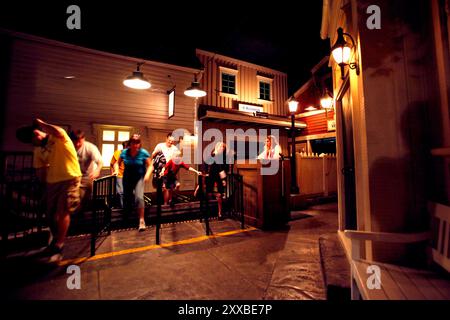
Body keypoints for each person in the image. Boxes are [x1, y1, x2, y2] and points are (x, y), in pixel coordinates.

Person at [17, 119, 82, 263]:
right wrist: (45, 186)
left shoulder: (58, 138)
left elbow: (59, 131)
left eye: (34, 137)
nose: (34, 141)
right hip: (53, 181)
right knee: (50, 213)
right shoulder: (38, 150)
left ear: (38, 132)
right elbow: (40, 170)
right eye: (31, 140)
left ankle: (59, 245)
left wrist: (40, 123)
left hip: (70, 177)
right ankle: (55, 237)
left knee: (62, 210)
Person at [117, 134, 151, 231]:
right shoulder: (124, 152)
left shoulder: (143, 153)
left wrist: (148, 174)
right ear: (130, 143)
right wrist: (116, 170)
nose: (135, 145)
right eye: (133, 143)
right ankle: (127, 218)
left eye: (137, 143)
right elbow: (117, 163)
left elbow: (150, 165)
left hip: (139, 178)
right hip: (127, 177)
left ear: (140, 144)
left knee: (139, 197)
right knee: (127, 197)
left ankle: (141, 220)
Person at [69, 130, 103, 212]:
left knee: (83, 199)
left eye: (79, 142)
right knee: (71, 199)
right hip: (72, 176)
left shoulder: (90, 147)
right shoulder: (68, 146)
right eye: (75, 142)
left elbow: (100, 162)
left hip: (86, 176)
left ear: (83, 139)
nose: (77, 145)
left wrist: (97, 170)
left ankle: (80, 218)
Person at [205, 142, 231, 219]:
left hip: (220, 177)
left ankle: (219, 213)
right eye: (220, 147)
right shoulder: (213, 155)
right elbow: (206, 163)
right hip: (212, 176)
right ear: (217, 147)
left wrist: (223, 179)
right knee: (209, 193)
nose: (222, 148)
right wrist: (207, 173)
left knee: (220, 195)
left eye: (223, 147)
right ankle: (209, 212)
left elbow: (223, 168)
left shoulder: (224, 157)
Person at [151, 133, 179, 202]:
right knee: (163, 187)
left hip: (169, 169)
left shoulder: (174, 148)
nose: (170, 142)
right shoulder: (160, 146)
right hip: (161, 169)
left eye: (172, 141)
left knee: (174, 186)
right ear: (166, 138)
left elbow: (175, 160)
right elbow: (153, 155)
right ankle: (163, 203)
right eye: (169, 140)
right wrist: (153, 166)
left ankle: (169, 200)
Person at [110, 140, 129, 208]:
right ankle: (122, 207)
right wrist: (112, 173)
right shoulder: (117, 153)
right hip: (120, 175)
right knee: (120, 192)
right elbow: (112, 164)